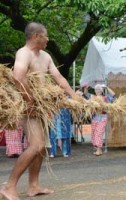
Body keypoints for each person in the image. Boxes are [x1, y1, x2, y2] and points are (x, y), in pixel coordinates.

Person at [0, 22, 80, 200]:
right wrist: (29, 101)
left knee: (42, 147)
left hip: (40, 107)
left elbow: (58, 77)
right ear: (36, 36)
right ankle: (9, 185)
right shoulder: (23, 53)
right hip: (28, 108)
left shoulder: (46, 56)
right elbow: (18, 77)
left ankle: (34, 185)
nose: (48, 39)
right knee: (36, 145)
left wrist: (74, 96)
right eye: (46, 36)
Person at [91, 84, 115, 156]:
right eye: (96, 89)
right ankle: (99, 149)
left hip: (102, 117)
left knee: (99, 133)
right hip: (94, 118)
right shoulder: (93, 98)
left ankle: (98, 150)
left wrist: (107, 87)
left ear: (101, 91)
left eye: (99, 89)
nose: (97, 91)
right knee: (94, 133)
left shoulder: (105, 98)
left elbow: (113, 95)